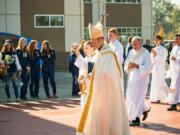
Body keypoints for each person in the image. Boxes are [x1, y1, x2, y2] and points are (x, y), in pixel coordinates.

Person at [76, 22, 130, 135]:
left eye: (94, 41)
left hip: (106, 94)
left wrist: (94, 76)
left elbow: (108, 74)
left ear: (101, 40)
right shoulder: (101, 53)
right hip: (99, 91)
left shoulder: (109, 54)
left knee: (105, 118)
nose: (93, 44)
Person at [125, 36, 152, 126]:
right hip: (132, 78)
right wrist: (128, 66)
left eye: (135, 44)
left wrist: (137, 66)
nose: (133, 46)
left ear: (141, 43)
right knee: (131, 97)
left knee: (136, 98)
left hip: (141, 79)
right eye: (132, 44)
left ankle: (136, 119)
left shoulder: (146, 53)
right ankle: (145, 109)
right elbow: (126, 62)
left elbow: (148, 67)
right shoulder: (131, 52)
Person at [74, 40, 97, 110]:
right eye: (84, 48)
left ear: (93, 48)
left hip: (94, 87)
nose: (85, 50)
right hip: (85, 87)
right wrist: (80, 78)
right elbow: (82, 69)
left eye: (87, 48)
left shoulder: (96, 58)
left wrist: (77, 53)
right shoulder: (86, 58)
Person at [150, 35, 169, 103]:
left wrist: (156, 55)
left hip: (161, 68)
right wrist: (154, 56)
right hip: (155, 68)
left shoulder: (163, 49)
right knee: (154, 83)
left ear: (160, 40)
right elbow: (151, 59)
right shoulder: (154, 48)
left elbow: (163, 59)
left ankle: (170, 96)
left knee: (161, 83)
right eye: (155, 40)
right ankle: (156, 97)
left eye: (157, 40)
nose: (156, 41)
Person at [167, 34, 180, 111]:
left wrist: (176, 59)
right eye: (175, 39)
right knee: (173, 87)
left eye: (177, 39)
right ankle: (173, 104)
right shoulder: (174, 48)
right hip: (175, 71)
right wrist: (170, 71)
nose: (176, 40)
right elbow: (171, 57)